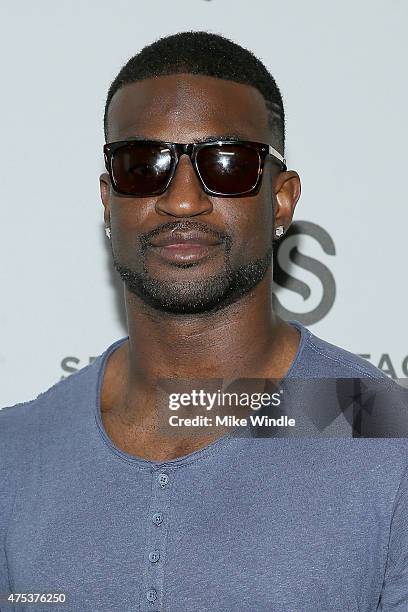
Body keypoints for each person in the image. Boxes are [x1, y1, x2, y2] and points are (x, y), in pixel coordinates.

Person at [1, 31, 407, 612]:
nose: (183, 200)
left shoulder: (387, 434)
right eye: (143, 166)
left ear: (282, 199)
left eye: (227, 164)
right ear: (108, 199)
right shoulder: (15, 453)